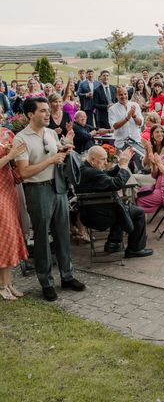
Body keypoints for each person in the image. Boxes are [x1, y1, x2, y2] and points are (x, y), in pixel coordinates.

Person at [14, 97, 85, 301]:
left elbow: (56, 158)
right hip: (37, 190)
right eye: (43, 111)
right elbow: (24, 172)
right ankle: (46, 282)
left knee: (63, 234)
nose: (48, 114)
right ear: (30, 115)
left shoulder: (52, 133)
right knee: (43, 239)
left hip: (58, 187)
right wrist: (50, 160)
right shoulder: (21, 139)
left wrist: (64, 151)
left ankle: (67, 276)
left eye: (48, 110)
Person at [76, 146, 153, 258]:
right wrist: (123, 166)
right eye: (103, 159)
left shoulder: (84, 168)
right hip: (100, 217)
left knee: (120, 208)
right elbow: (117, 183)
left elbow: (106, 176)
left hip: (91, 214)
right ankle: (135, 248)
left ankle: (113, 243)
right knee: (138, 212)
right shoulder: (92, 173)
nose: (106, 162)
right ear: (92, 159)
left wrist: (119, 165)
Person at [0, 129, 29, 300]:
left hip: (9, 188)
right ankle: (3, 285)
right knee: (5, 236)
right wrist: (10, 155)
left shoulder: (6, 133)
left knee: (10, 237)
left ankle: (8, 282)